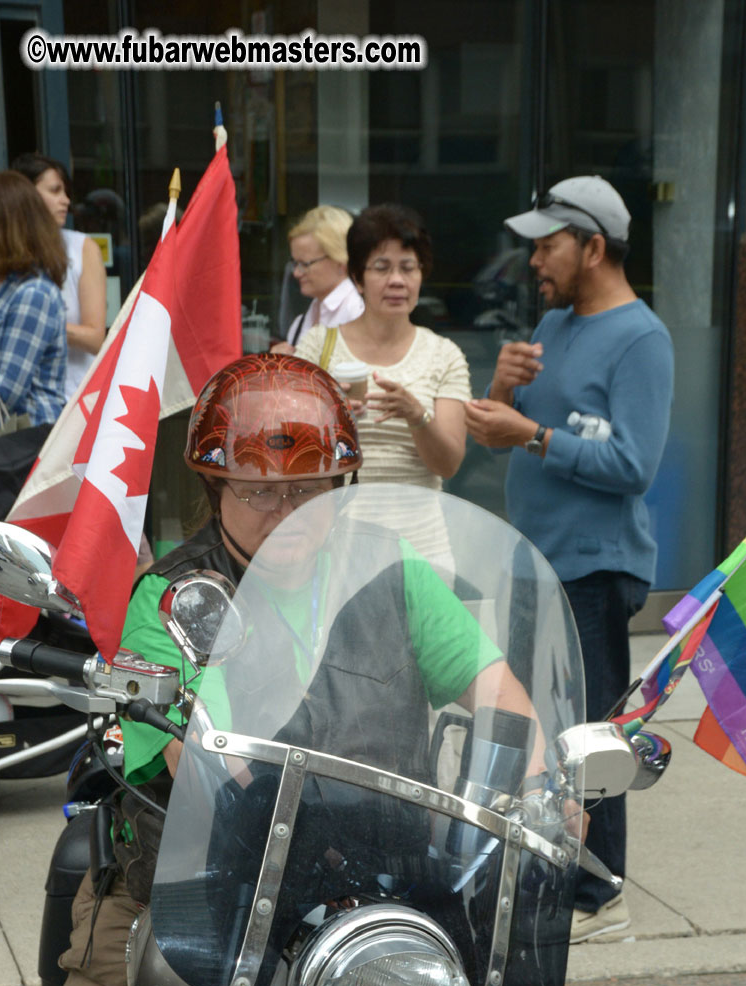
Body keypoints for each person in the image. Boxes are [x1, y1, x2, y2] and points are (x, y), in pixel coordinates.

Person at [0, 354, 535, 986]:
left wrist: (539, 779)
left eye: (311, 488)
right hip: (191, 888)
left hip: (366, 888)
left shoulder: (391, 573)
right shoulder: (172, 595)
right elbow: (181, 754)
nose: (288, 514)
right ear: (215, 485)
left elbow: (496, 686)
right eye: (259, 492)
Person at [463, 175, 674, 943]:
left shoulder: (642, 338)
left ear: (592, 246)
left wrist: (533, 435)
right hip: (534, 558)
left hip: (593, 565)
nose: (533, 263)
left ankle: (601, 893)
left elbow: (633, 465)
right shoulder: (554, 323)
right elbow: (511, 434)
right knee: (538, 726)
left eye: (547, 246)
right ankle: (553, 870)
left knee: (589, 734)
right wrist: (502, 394)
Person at [294, 204, 470, 559]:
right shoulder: (317, 345)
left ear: (422, 275)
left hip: (422, 548)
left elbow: (448, 464)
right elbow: (290, 448)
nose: (397, 281)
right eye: (381, 268)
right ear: (357, 278)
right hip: (335, 546)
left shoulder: (444, 354)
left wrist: (417, 415)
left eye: (408, 268)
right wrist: (332, 416)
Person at [12, 152, 107, 401]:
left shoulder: (82, 248)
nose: (65, 200)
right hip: (13, 403)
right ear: (26, 195)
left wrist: (35, 321)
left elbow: (96, 337)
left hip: (73, 402)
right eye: (55, 191)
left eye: (65, 192)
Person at [0, 170, 66, 435]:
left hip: (22, 448)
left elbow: (5, 393)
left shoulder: (33, 294)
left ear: (2, 228)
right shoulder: (1, 284)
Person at [270, 204, 364, 352]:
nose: (297, 273)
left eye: (305, 264)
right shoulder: (302, 321)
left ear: (340, 260)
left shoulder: (358, 313)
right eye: (295, 263)